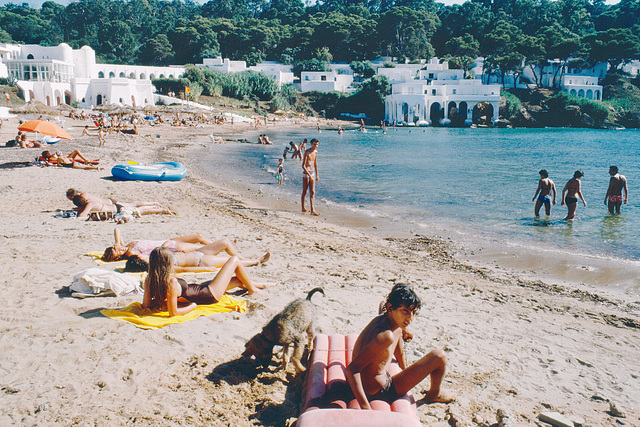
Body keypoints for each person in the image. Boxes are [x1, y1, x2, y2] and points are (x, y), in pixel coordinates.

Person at [345, 284, 455, 409]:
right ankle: (434, 394)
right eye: (405, 311)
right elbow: (352, 369)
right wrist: (366, 408)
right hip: (380, 391)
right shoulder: (385, 337)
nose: (410, 318)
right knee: (439, 356)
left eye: (413, 312)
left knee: (398, 328)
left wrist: (404, 330)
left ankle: (403, 367)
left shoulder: (385, 317)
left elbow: (382, 304)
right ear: (390, 307)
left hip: (373, 382)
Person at [142, 247, 276, 317]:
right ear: (166, 263)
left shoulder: (149, 280)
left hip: (200, 289)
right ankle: (253, 289)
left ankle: (260, 285)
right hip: (207, 295)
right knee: (234, 260)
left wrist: (161, 301)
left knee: (236, 280)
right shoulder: (170, 282)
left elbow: (146, 305)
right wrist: (192, 306)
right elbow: (174, 313)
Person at [125, 246, 270, 273]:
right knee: (232, 261)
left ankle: (243, 256)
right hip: (202, 261)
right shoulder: (162, 266)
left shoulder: (155, 257)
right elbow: (184, 269)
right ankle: (257, 261)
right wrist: (205, 269)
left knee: (225, 242)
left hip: (198, 252)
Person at [102, 228, 219, 262]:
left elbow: (117, 229)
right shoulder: (130, 253)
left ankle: (223, 246)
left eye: (114, 247)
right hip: (170, 247)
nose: (117, 248)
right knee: (202, 248)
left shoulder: (126, 246)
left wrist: (117, 243)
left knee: (198, 237)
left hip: (168, 240)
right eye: (116, 251)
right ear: (118, 257)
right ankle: (224, 247)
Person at [67, 188, 173, 218]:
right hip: (113, 205)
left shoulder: (89, 204)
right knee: (134, 204)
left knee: (138, 210)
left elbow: (82, 215)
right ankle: (154, 204)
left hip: (117, 209)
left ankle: (160, 209)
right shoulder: (88, 200)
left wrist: (79, 211)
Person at [301, 138, 320, 215]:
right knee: (305, 191)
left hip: (312, 173)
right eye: (314, 144)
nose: (316, 146)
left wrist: (317, 175)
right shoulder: (307, 152)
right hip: (306, 173)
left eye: (317, 144)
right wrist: (309, 175)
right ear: (311, 144)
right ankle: (303, 208)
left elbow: (315, 164)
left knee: (312, 192)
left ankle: (312, 210)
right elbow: (303, 166)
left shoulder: (316, 152)